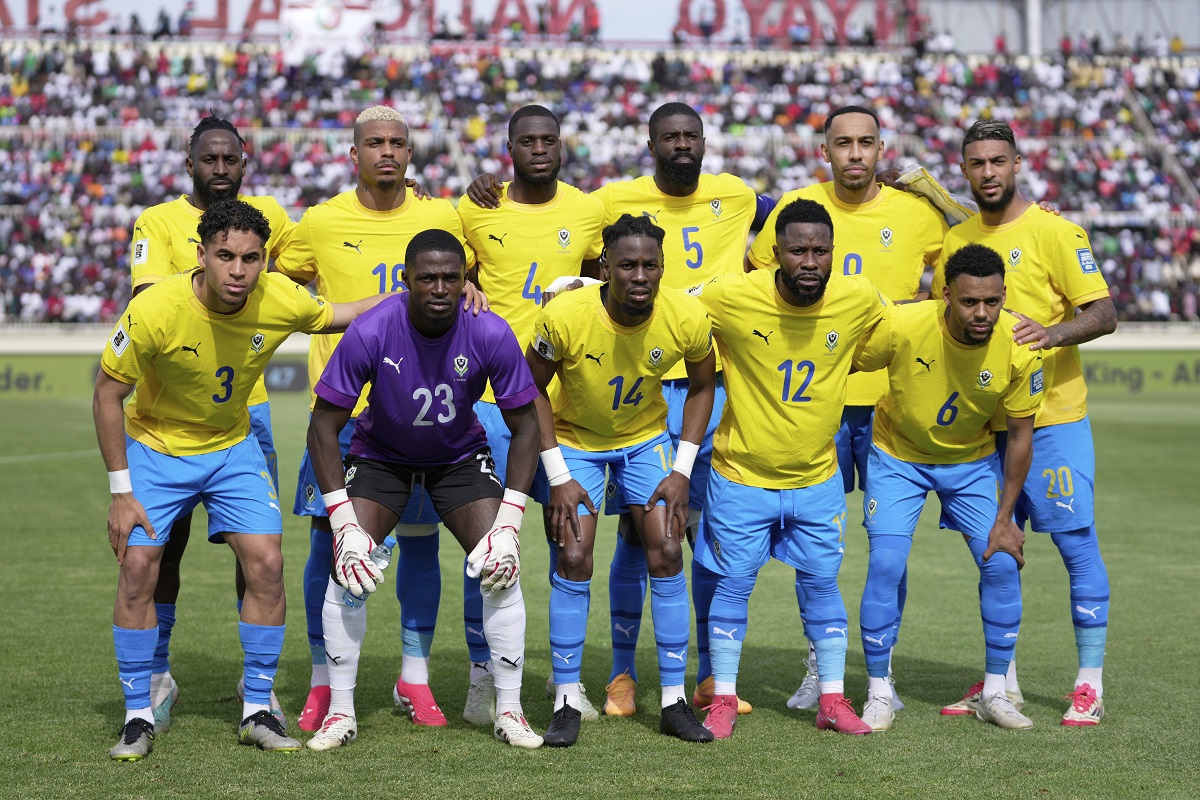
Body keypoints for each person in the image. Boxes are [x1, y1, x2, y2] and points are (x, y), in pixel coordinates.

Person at [96, 199, 385, 761]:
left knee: (267, 562)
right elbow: (107, 395)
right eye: (225, 256)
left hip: (232, 447)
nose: (237, 270)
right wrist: (120, 492)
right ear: (200, 255)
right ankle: (137, 714)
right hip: (158, 448)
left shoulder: (279, 297)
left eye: (251, 259)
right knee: (138, 566)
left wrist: (426, 294)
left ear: (263, 261)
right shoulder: (156, 308)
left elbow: (347, 312)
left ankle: (256, 705)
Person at [274, 105, 483, 733]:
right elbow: (281, 288)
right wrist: (337, 315)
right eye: (374, 143)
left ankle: (413, 679)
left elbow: (468, 275)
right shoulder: (320, 221)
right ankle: (319, 681)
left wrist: (471, 286)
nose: (386, 152)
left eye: (397, 142)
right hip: (341, 418)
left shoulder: (441, 214)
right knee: (328, 546)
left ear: (410, 153)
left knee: (421, 549)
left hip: (421, 419)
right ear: (354, 154)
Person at [304, 229, 544, 751]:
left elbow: (527, 425)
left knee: (500, 566)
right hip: (380, 457)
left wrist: (510, 521)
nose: (439, 287)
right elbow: (323, 426)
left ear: (465, 281)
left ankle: (510, 710)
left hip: (457, 458)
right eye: (427, 277)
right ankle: (340, 714)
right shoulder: (371, 330)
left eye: (451, 278)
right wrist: (343, 520)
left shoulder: (490, 331)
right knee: (349, 567)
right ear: (406, 280)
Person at [746, 105, 948, 713]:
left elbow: (976, 242)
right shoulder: (796, 208)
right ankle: (821, 663)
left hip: (893, 400)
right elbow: (758, 283)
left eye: (866, 143)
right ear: (825, 151)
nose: (855, 153)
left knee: (887, 547)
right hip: (815, 404)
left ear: (882, 148)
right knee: (815, 543)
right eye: (843, 143)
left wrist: (950, 199)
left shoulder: (917, 214)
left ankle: (881, 673)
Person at [933, 119, 1117, 726]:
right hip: (985, 430)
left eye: (998, 161)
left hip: (1054, 421)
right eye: (977, 163)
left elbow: (1104, 311)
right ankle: (1000, 683)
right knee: (996, 551)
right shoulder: (957, 241)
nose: (988, 172)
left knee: (1074, 544)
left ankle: (1088, 681)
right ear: (964, 169)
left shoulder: (1056, 230)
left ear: (1017, 164)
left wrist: (1053, 332)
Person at [691, 198, 886, 740]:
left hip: (817, 479)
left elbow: (905, 326)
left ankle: (830, 700)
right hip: (740, 476)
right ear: (774, 254)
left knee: (823, 587)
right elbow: (668, 307)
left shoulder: (858, 298)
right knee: (732, 587)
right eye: (797, 250)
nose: (809, 261)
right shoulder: (731, 295)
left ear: (833, 254)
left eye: (820, 251)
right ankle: (723, 699)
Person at [127, 114, 295, 732]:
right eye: (209, 159)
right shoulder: (157, 221)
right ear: (189, 161)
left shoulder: (269, 218)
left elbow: (306, 268)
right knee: (161, 548)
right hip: (172, 411)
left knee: (253, 550)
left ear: (244, 162)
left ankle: (256, 687)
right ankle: (156, 670)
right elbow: (151, 299)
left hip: (244, 411)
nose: (220, 169)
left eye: (230, 159)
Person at [526, 214, 716, 747]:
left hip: (645, 440)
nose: (640, 275)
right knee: (573, 555)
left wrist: (680, 469)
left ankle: (674, 700)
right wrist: (558, 474)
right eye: (627, 264)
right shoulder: (564, 315)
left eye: (650, 265)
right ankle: (566, 697)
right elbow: (530, 388)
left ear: (662, 267)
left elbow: (702, 387)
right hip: (577, 441)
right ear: (605, 266)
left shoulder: (686, 316)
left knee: (667, 550)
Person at [853, 243, 1043, 730]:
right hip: (898, 456)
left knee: (1002, 561)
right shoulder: (904, 324)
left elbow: (1021, 436)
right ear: (945, 295)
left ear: (1004, 295)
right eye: (968, 302)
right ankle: (878, 690)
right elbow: (848, 360)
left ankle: (996, 692)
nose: (982, 313)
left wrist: (1006, 519)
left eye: (993, 301)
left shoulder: (1021, 346)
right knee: (887, 563)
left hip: (971, 461)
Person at [457, 104, 607, 722]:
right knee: (487, 540)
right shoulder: (476, 208)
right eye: (527, 141)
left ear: (561, 146)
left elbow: (605, 280)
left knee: (570, 537)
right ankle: (482, 674)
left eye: (549, 139)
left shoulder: (588, 210)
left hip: (560, 404)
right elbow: (454, 273)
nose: (539, 148)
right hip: (491, 401)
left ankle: (565, 680)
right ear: (509, 149)